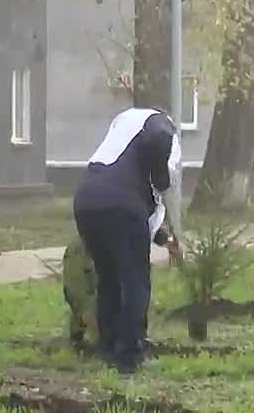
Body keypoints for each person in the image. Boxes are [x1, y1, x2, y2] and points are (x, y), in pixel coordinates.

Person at [73, 107, 180, 374]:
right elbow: (160, 139)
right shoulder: (161, 125)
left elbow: (149, 224)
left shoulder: (123, 133)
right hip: (122, 205)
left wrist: (166, 240)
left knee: (108, 277)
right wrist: (162, 179)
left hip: (86, 201)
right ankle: (130, 354)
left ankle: (108, 348)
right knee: (134, 279)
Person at [64, 225, 179, 350]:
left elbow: (148, 223)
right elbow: (78, 293)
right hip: (90, 253)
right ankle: (83, 342)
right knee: (87, 304)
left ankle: (131, 339)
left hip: (114, 250)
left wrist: (169, 240)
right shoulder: (81, 248)